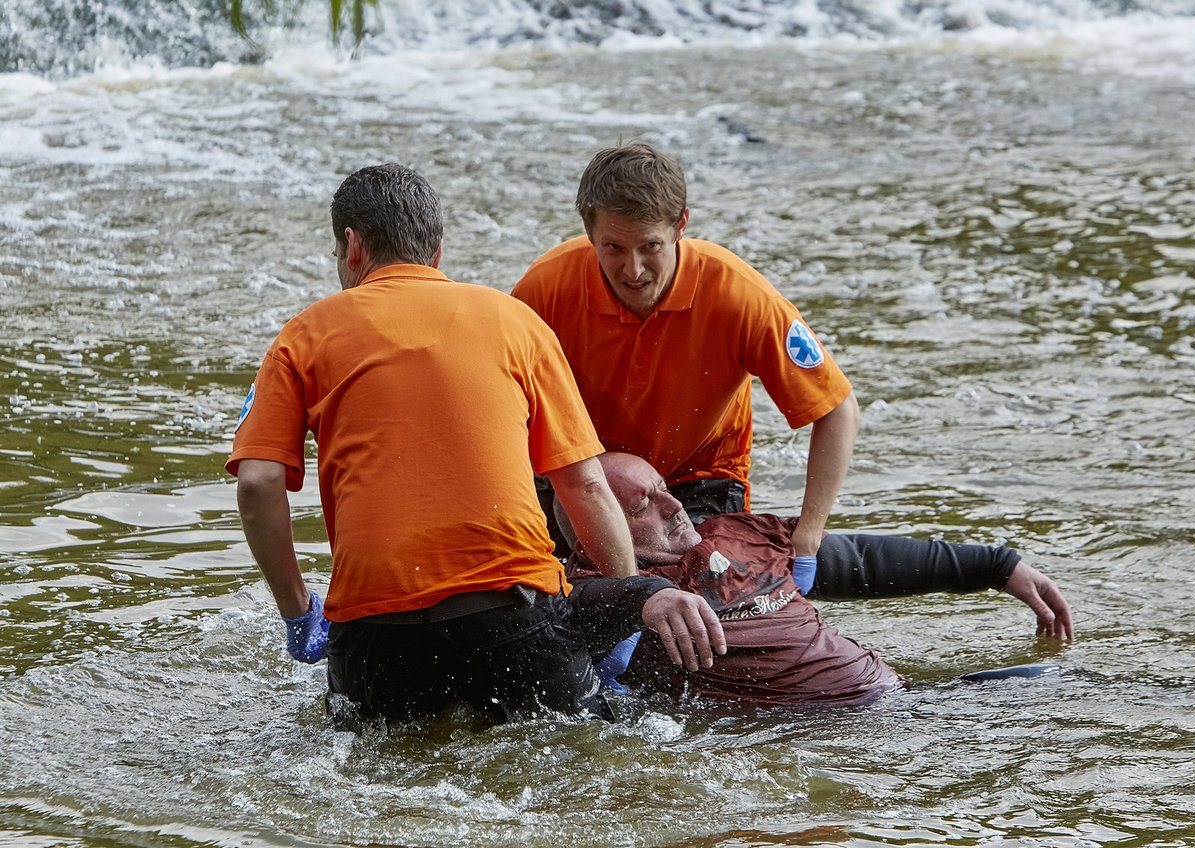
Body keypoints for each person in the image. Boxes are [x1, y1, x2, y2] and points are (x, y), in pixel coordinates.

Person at [226, 164, 724, 726]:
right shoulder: (515, 322)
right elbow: (583, 483)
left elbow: (259, 482)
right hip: (514, 616)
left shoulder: (302, 336)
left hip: (373, 630)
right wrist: (622, 609)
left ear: (352, 245)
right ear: (437, 251)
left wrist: (297, 612)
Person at [512, 141, 860, 574]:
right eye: (614, 248)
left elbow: (837, 409)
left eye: (650, 246)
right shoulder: (544, 290)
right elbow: (500, 415)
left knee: (696, 597)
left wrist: (808, 534)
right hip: (580, 478)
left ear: (681, 226)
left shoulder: (739, 296)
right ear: (589, 233)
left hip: (695, 481)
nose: (633, 271)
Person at [561, 453, 1074, 706]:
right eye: (642, 506)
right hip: (814, 736)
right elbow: (572, 616)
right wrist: (641, 596)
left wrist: (997, 566)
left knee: (1067, 688)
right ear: (594, 530)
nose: (674, 506)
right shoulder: (586, 589)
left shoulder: (737, 531)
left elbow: (861, 559)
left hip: (907, 701)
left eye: (663, 488)